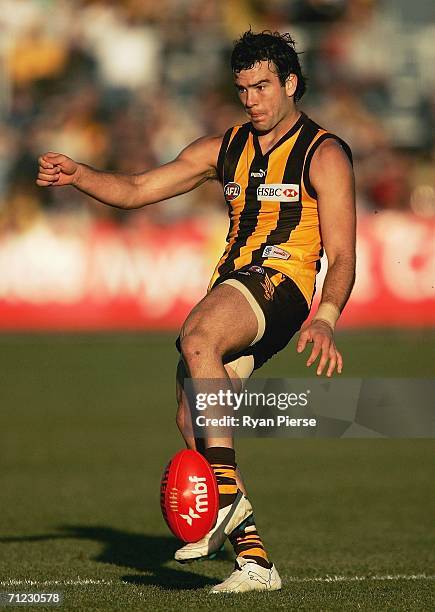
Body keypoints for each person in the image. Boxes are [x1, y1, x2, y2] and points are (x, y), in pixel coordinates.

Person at [37, 30, 356, 593]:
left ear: (290, 84)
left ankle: (227, 499)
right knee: (193, 422)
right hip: (237, 282)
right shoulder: (223, 148)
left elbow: (344, 253)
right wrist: (79, 175)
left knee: (198, 336)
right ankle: (256, 564)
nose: (252, 99)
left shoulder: (323, 153)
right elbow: (137, 188)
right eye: (242, 89)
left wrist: (327, 315)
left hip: (286, 284)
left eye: (262, 86)